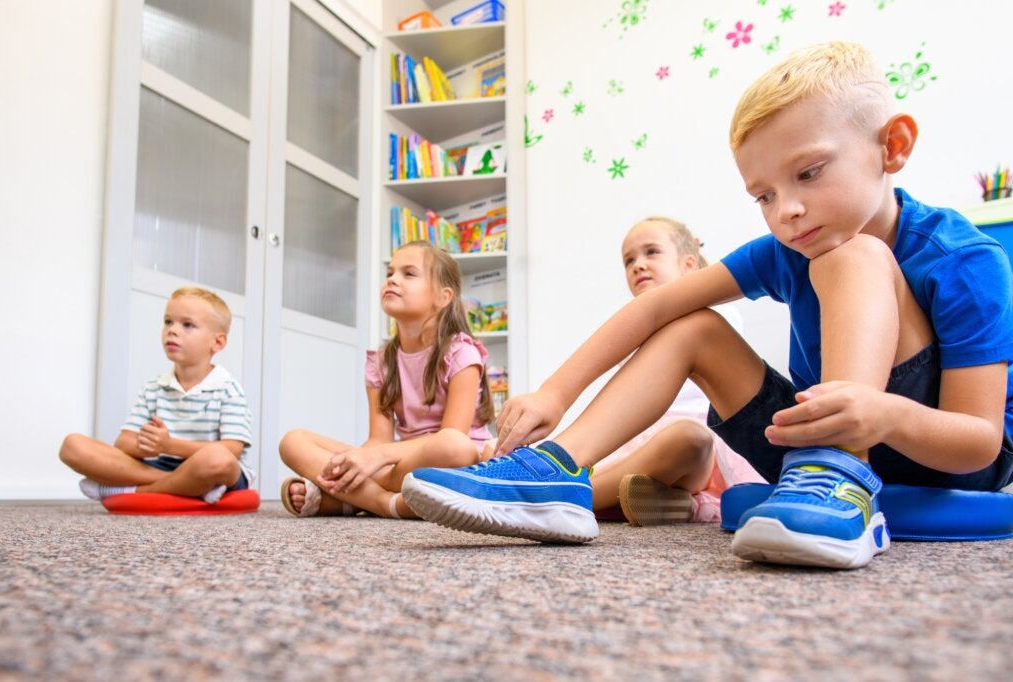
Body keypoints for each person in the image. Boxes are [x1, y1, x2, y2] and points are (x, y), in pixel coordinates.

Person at [401, 41, 1013, 569]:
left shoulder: (963, 258)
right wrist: (555, 395)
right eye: (764, 196)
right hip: (810, 448)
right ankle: (559, 471)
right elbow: (652, 309)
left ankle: (837, 473)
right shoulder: (783, 248)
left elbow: (979, 444)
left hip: (935, 455)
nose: (785, 212)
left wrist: (884, 415)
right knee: (691, 323)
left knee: (857, 256)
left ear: (893, 146)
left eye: (808, 173)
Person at [279, 240, 494, 519]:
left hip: (454, 460)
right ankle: (385, 503)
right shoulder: (380, 362)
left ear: (443, 297)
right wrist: (362, 459)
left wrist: (374, 459)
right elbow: (378, 440)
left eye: (408, 274)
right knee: (293, 441)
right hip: (396, 461)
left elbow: (453, 436)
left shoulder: (462, 353)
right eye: (390, 273)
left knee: (455, 446)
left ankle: (350, 500)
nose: (392, 279)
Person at [592, 217, 765, 526]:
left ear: (688, 264)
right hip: (640, 449)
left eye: (652, 252)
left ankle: (572, 497)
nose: (638, 265)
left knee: (688, 439)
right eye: (629, 260)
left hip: (697, 458)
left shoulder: (717, 315)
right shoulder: (630, 331)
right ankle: (672, 503)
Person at [60, 287, 253, 503]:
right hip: (160, 466)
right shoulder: (153, 388)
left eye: (187, 325)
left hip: (210, 469)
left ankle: (133, 491)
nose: (172, 330)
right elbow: (123, 444)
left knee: (218, 459)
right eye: (168, 322)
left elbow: (231, 450)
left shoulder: (228, 388)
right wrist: (149, 445)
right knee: (72, 446)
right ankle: (185, 485)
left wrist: (169, 445)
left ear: (217, 342)